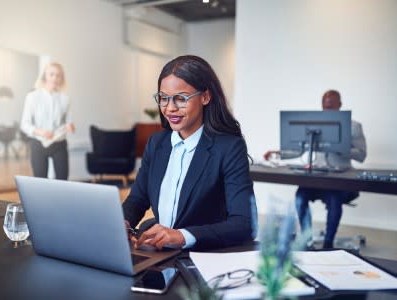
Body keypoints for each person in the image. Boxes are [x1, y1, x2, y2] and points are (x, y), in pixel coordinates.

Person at [122, 55, 257, 251]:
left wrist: (182, 236)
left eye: (181, 99)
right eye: (163, 98)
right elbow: (137, 199)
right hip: (160, 254)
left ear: (205, 97)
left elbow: (245, 224)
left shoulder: (228, 148)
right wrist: (123, 223)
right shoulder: (157, 143)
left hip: (201, 256)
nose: (170, 108)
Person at [264, 90, 367, 248]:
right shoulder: (315, 125)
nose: (328, 109)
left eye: (331, 106)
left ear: (340, 105)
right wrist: (277, 153)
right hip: (316, 177)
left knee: (334, 199)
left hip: (339, 179)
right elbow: (298, 149)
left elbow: (361, 155)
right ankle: (307, 239)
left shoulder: (354, 126)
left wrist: (341, 147)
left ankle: (328, 244)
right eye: (325, 106)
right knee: (300, 198)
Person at [20, 62, 75, 180]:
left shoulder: (65, 99)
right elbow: (24, 124)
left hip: (59, 144)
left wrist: (70, 126)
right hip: (38, 144)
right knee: (41, 183)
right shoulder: (32, 97)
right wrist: (40, 132)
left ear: (61, 78)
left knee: (63, 182)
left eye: (58, 75)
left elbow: (69, 122)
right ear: (45, 75)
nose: (55, 78)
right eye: (52, 74)